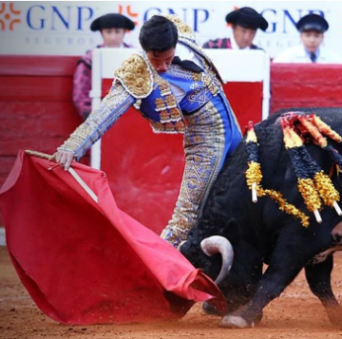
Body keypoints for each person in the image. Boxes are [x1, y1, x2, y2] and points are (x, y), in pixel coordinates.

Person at [55, 14, 243, 248]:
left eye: (168, 58)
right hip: (205, 141)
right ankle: (156, 275)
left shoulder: (179, 34)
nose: (163, 66)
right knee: (186, 216)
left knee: (243, 198)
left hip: (234, 130)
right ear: (145, 51)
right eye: (156, 60)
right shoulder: (138, 71)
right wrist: (73, 146)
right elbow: (106, 113)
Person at [73, 13, 135, 120]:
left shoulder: (135, 56)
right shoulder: (89, 59)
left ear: (124, 32)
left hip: (131, 116)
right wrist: (93, 118)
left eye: (117, 32)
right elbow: (80, 93)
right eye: (108, 32)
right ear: (101, 33)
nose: (113, 37)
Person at [273, 14, 342, 64]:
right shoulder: (288, 55)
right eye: (308, 35)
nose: (312, 40)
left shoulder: (331, 57)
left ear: (322, 37)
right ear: (301, 37)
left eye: (316, 36)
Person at [202, 7, 268, 50]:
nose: (246, 37)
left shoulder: (259, 54)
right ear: (233, 27)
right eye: (243, 31)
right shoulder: (212, 47)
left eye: (252, 33)